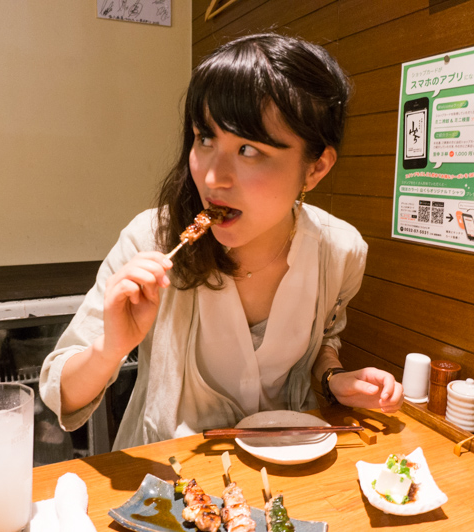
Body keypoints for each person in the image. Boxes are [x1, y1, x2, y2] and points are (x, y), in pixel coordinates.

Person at [39, 33, 404, 450]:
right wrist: (111, 348)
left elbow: (324, 339)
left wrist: (332, 377)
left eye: (248, 149)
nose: (213, 178)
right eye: (205, 138)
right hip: (172, 473)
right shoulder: (150, 240)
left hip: (288, 461)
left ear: (315, 168)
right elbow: (61, 394)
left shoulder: (341, 253)